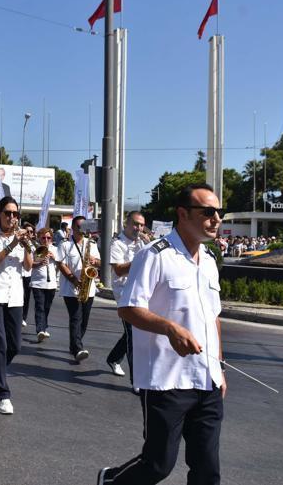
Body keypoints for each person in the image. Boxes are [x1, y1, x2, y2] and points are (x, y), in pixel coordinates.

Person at [98, 183, 227, 485]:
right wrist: (170, 328)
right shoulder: (154, 255)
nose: (216, 219)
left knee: (208, 470)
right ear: (183, 214)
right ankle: (112, 482)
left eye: (219, 212)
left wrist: (219, 366)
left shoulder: (208, 261)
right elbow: (128, 309)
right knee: (158, 464)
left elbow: (214, 316)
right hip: (167, 381)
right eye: (208, 212)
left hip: (207, 379)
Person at [0, 196, 33, 414]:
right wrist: (12, 244)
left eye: (15, 214)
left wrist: (28, 245)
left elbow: (29, 267)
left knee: (15, 345)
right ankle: (2, 394)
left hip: (16, 296)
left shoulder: (21, 238)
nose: (12, 217)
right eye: (8, 213)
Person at [106, 211, 150, 381]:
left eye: (141, 225)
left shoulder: (142, 243)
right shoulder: (117, 243)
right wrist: (141, 258)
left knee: (132, 332)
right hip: (125, 294)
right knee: (133, 335)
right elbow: (118, 270)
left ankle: (113, 358)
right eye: (135, 224)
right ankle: (137, 380)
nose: (138, 228)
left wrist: (149, 247)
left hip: (141, 292)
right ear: (127, 223)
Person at [57, 215, 101, 362]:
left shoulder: (91, 244)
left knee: (84, 320)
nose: (81, 230)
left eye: (83, 227)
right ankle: (77, 348)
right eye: (79, 227)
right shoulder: (64, 245)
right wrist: (74, 280)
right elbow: (61, 264)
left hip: (89, 287)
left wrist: (95, 261)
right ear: (73, 228)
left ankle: (74, 344)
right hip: (71, 288)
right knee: (76, 317)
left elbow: (100, 263)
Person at [30, 227, 58, 342]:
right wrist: (40, 262)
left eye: (48, 237)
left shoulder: (55, 249)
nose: (46, 240)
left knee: (47, 307)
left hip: (51, 283)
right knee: (40, 306)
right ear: (39, 238)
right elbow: (30, 264)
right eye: (43, 238)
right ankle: (40, 330)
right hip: (38, 282)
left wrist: (54, 257)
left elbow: (61, 263)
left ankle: (44, 327)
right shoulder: (34, 249)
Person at [20, 222, 36, 327]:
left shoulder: (34, 245)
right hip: (19, 273)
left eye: (31, 232)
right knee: (19, 295)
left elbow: (35, 259)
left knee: (26, 297)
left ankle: (23, 317)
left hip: (29, 273)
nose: (29, 233)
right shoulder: (18, 242)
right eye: (27, 231)